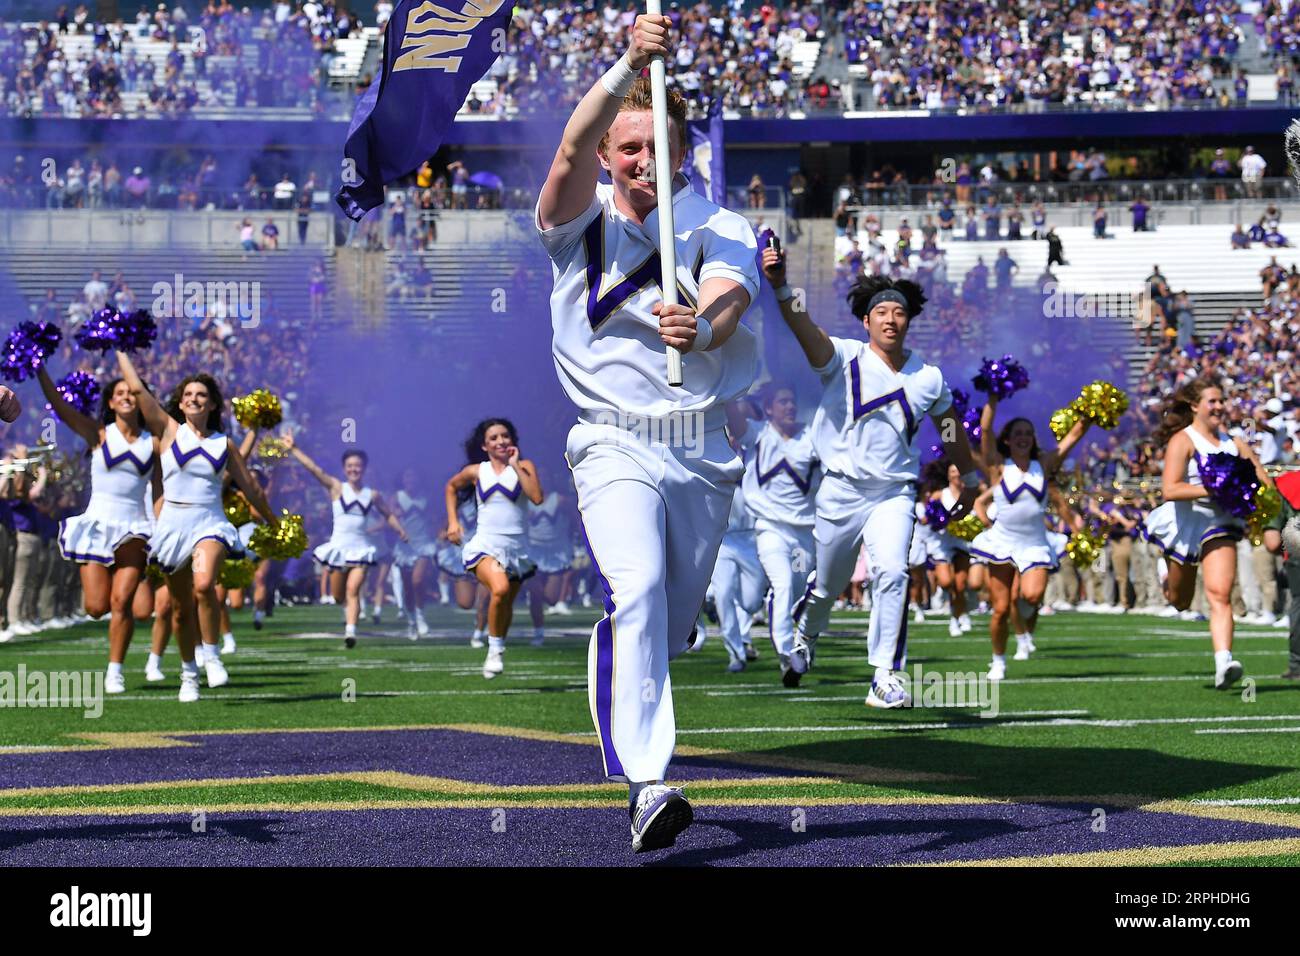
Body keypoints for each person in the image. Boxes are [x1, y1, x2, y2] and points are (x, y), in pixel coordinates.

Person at [535, 13, 760, 853]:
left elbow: (732, 297)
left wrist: (700, 328)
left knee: (665, 622)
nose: (641, 162)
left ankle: (659, 641)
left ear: (683, 148)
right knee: (633, 593)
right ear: (607, 153)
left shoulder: (720, 222)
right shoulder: (574, 224)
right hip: (610, 441)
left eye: (657, 147)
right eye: (627, 148)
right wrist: (629, 61)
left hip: (700, 448)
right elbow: (563, 154)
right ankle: (649, 783)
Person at [763, 254, 981, 704]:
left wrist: (973, 476)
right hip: (840, 490)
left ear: (909, 321)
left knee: (894, 572)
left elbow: (948, 428)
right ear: (866, 321)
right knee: (828, 585)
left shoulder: (930, 377)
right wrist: (782, 287)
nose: (891, 319)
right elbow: (806, 332)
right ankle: (804, 635)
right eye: (881, 311)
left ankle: (885, 674)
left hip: (894, 492)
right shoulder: (844, 357)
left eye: (899, 312)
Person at [115, 351, 276, 702]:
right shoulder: (169, 431)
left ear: (213, 403)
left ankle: (212, 655)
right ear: (181, 402)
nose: (193, 399)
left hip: (210, 521)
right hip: (173, 524)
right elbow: (140, 392)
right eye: (188, 395)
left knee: (204, 585)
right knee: (180, 609)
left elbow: (251, 488)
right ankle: (189, 674)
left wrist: (275, 523)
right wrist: (120, 349)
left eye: (201, 394)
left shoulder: (224, 444)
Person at [1142, 378, 1273, 689]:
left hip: (1220, 524)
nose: (1218, 407)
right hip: (1186, 524)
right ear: (1195, 406)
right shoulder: (1183, 440)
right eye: (1212, 401)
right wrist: (1215, 488)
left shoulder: (1236, 442)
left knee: (1219, 593)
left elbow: (1262, 480)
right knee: (1180, 601)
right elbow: (1170, 489)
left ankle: (1223, 662)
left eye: (1221, 401)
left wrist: (1258, 497)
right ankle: (1166, 579)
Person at [41, 365, 155, 694]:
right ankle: (140, 580)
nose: (125, 397)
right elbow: (60, 408)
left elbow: (160, 489)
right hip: (98, 525)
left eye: (132, 392)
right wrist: (40, 370)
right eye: (118, 393)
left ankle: (114, 670)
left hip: (135, 527)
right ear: (110, 402)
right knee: (96, 607)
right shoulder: (99, 434)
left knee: (123, 603)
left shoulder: (154, 441)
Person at [971, 396, 1090, 678]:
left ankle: (1024, 633)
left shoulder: (1044, 464)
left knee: (1032, 594)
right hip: (1002, 541)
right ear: (1008, 440)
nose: (1023, 438)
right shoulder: (998, 467)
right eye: (1018, 434)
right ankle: (998, 660)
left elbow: (1073, 435)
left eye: (1028, 433)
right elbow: (985, 431)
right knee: (1000, 609)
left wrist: (1090, 412)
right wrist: (992, 398)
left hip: (1034, 543)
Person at [726, 383, 818, 683]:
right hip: (770, 530)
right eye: (782, 401)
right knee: (783, 584)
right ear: (768, 409)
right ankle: (787, 654)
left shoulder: (813, 437)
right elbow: (733, 418)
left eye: (792, 401)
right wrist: (727, 380)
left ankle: (799, 645)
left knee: (799, 590)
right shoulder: (757, 434)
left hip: (805, 532)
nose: (789, 406)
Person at [284, 437, 407, 647]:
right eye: (350, 466)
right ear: (344, 468)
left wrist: (400, 531)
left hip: (361, 550)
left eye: (358, 465)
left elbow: (388, 514)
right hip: (339, 550)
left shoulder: (372, 495)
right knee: (340, 595)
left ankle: (350, 632)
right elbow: (315, 470)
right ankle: (346, 612)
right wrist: (294, 449)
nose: (354, 469)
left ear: (365, 468)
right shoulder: (337, 488)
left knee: (353, 590)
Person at [444, 418, 542, 677]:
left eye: (505, 436)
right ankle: (494, 649)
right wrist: (453, 522)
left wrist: (514, 465)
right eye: (494, 438)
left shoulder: (524, 466)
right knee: (499, 589)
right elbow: (451, 487)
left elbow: (536, 497)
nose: (501, 441)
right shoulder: (476, 471)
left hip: (517, 549)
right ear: (485, 446)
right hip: (485, 545)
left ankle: (497, 647)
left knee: (506, 603)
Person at [390, 466, 438, 639]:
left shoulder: (427, 497)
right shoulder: (396, 497)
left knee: (417, 581)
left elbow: (434, 518)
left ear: (419, 479)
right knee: (408, 587)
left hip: (423, 544)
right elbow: (389, 516)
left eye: (413, 476)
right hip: (404, 547)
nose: (410, 480)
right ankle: (411, 622)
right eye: (407, 476)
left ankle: (420, 617)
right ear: (402, 479)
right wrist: (395, 514)